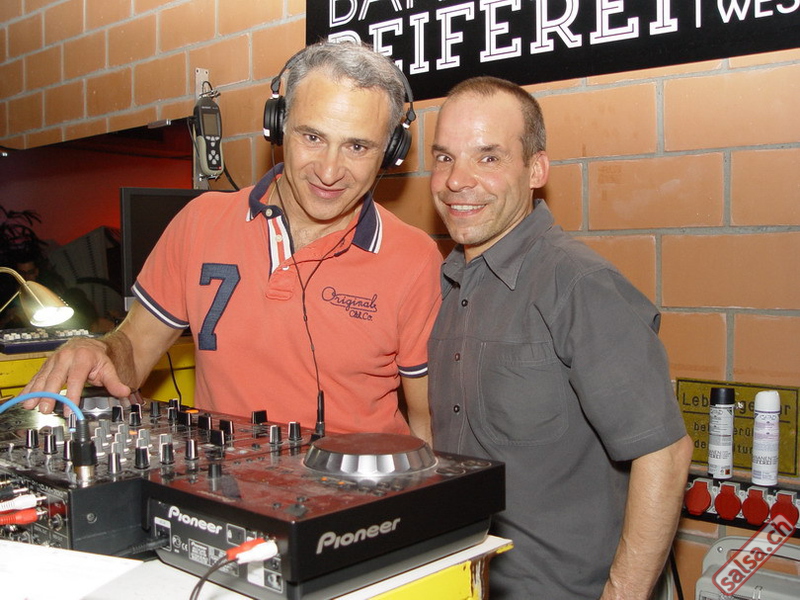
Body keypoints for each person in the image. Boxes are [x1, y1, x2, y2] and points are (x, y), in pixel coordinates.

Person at [21, 42, 442, 442]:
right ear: (278, 126)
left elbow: (429, 422)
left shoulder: (414, 257)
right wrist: (98, 350)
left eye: (357, 146)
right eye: (312, 137)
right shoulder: (199, 221)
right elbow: (133, 349)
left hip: (362, 491)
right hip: (224, 486)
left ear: (391, 152)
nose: (329, 171)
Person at [427, 76, 693, 599]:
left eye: (488, 157)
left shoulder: (579, 285)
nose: (457, 180)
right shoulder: (448, 284)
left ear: (536, 170)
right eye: (444, 158)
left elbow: (665, 455)